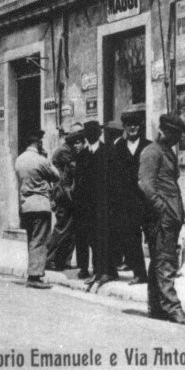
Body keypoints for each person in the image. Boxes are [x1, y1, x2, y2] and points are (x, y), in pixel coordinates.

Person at [138, 112, 185, 325]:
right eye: (175, 134)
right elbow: (146, 185)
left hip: (170, 217)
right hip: (161, 219)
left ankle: (156, 306)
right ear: (165, 131)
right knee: (166, 262)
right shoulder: (152, 152)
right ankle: (173, 309)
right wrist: (163, 209)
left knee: (158, 262)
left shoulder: (167, 152)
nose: (177, 139)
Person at [108, 107, 151, 285]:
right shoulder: (118, 147)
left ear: (140, 126)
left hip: (146, 200)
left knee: (151, 238)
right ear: (124, 127)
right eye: (129, 125)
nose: (132, 128)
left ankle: (154, 275)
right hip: (125, 201)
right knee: (131, 237)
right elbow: (112, 174)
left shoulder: (148, 146)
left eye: (135, 125)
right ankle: (140, 273)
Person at [15, 130, 59, 289]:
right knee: (40, 241)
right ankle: (35, 277)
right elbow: (56, 176)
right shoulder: (41, 160)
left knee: (31, 240)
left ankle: (32, 273)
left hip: (26, 205)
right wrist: (47, 159)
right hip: (40, 204)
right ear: (38, 143)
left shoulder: (19, 160)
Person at [75, 120, 114, 286]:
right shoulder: (82, 155)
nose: (91, 136)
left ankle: (102, 271)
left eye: (94, 133)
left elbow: (113, 180)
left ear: (99, 134)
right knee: (89, 237)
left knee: (103, 238)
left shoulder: (107, 152)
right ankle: (93, 270)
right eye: (88, 133)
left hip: (103, 204)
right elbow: (79, 181)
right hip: (86, 206)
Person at [46, 125, 85, 271]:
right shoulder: (64, 151)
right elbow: (75, 168)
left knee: (71, 230)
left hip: (69, 194)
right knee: (62, 228)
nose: (80, 141)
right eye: (78, 138)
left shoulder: (69, 150)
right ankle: (49, 258)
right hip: (64, 195)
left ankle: (63, 261)